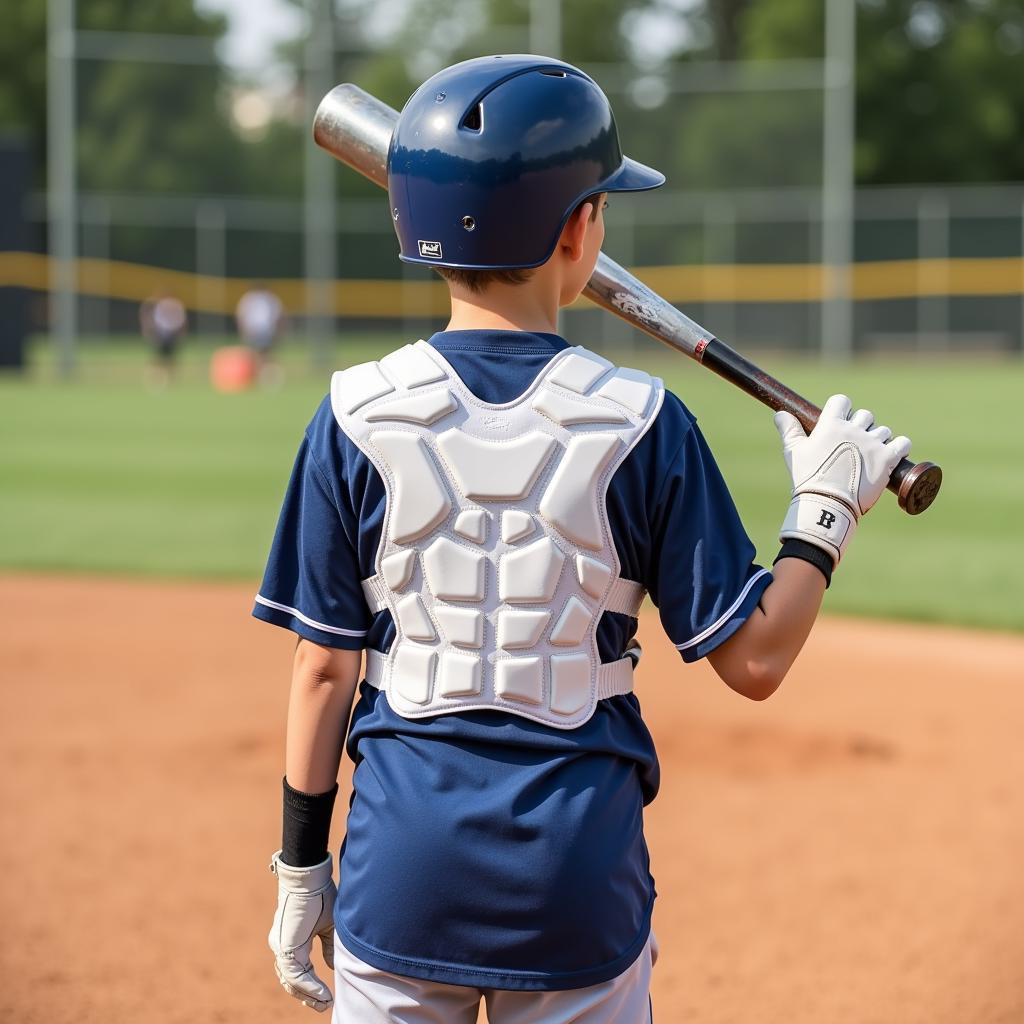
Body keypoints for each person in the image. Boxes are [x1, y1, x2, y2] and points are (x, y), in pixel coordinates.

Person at [254, 56, 911, 1023]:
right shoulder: (645, 419)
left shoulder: (352, 412)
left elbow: (322, 673)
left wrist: (302, 869)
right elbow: (757, 657)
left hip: (400, 873)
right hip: (574, 882)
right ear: (577, 229)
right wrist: (823, 512)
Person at [235, 283, 285, 386]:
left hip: (262, 330)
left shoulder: (265, 298)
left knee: (264, 355)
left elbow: (241, 316)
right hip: (258, 330)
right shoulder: (252, 298)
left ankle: (267, 377)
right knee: (258, 356)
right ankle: (260, 377)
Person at [139, 290, 187, 387]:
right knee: (159, 358)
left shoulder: (176, 305)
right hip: (162, 335)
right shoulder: (161, 306)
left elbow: (181, 321)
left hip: (172, 335)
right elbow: (155, 322)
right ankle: (156, 378)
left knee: (170, 359)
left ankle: (168, 379)